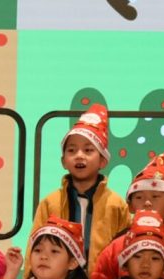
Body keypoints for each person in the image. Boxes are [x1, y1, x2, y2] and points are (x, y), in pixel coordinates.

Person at [30, 104, 133, 264]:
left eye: (88, 150)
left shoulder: (116, 204)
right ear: (63, 161)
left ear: (103, 160)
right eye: (71, 150)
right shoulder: (50, 203)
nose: (79, 155)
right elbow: (34, 246)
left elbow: (125, 250)